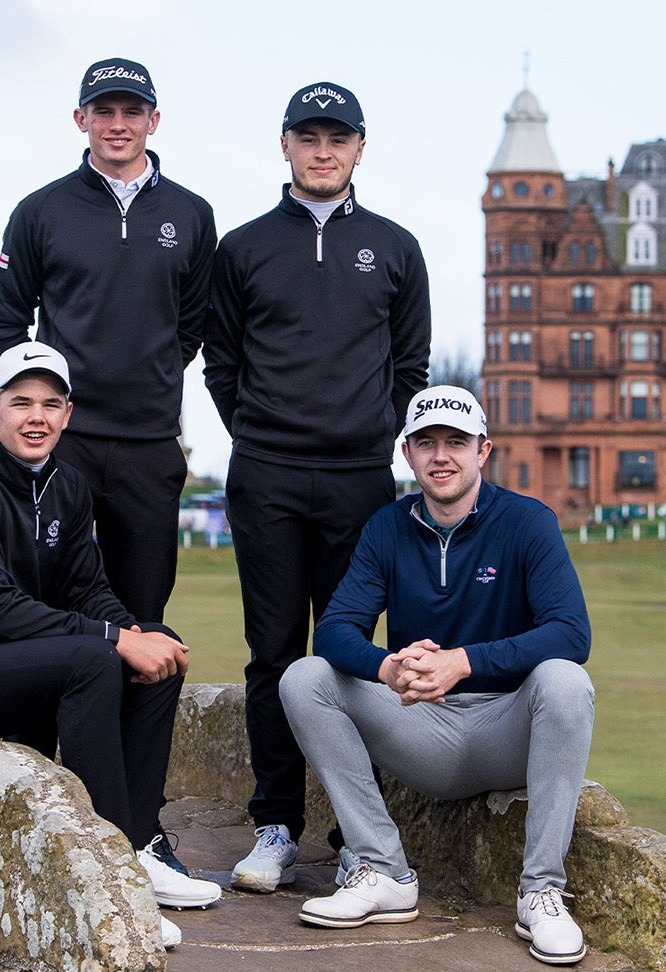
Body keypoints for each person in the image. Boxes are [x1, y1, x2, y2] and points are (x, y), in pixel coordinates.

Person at [0, 342, 221, 949]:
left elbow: (87, 589)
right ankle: (108, 880)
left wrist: (136, 635)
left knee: (161, 647)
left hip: (1, 665)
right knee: (95, 656)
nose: (37, 417)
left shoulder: (68, 486)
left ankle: (136, 847)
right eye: (21, 403)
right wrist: (115, 639)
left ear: (67, 414)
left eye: (51, 404)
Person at [203, 80, 431, 892]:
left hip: (358, 482)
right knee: (272, 653)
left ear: (360, 148)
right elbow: (221, 363)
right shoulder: (243, 247)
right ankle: (274, 827)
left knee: (350, 657)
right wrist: (260, 432)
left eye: (338, 138)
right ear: (286, 145)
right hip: (265, 476)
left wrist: (367, 434)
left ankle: (352, 837)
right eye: (309, 137)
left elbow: (410, 364)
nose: (323, 151)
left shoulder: (395, 246)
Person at [279, 386, 595, 966]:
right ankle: (383, 871)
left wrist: (463, 661)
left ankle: (541, 892)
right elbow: (336, 630)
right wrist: (387, 667)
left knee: (566, 681)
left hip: (506, 728)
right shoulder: (387, 527)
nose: (441, 456)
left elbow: (572, 634)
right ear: (407, 453)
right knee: (304, 678)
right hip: (420, 726)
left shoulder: (528, 521)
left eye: (456, 442)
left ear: (483, 450)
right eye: (426, 443)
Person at [0, 56, 216, 624]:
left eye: (131, 112)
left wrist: (155, 375)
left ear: (153, 120)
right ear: (80, 119)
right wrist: (43, 400)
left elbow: (193, 324)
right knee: (44, 601)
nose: (117, 124)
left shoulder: (191, 213)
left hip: (149, 441)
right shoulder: (41, 210)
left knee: (143, 610)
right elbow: (3, 318)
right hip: (64, 441)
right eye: (103, 111)